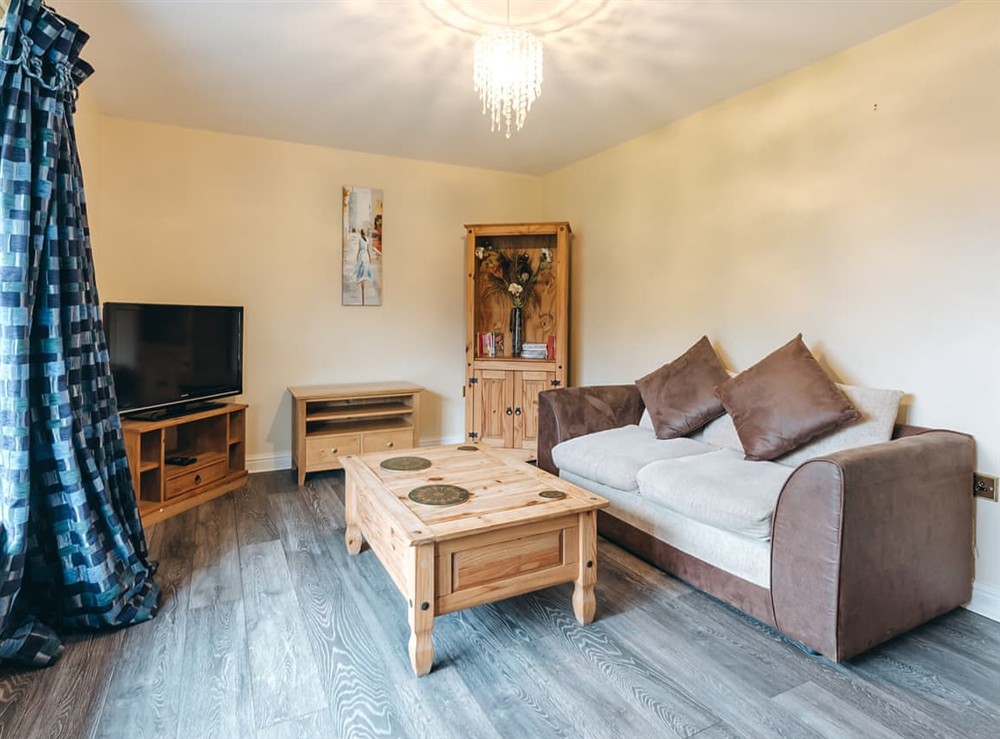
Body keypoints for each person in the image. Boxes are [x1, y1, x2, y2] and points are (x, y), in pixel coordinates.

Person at [354, 227, 373, 304]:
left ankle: (362, 284)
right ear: (364, 233)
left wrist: (357, 256)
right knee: (365, 269)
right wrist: (370, 257)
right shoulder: (367, 239)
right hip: (365, 255)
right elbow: (368, 250)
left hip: (361, 255)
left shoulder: (360, 239)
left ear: (360, 233)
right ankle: (363, 284)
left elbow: (359, 249)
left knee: (361, 269)